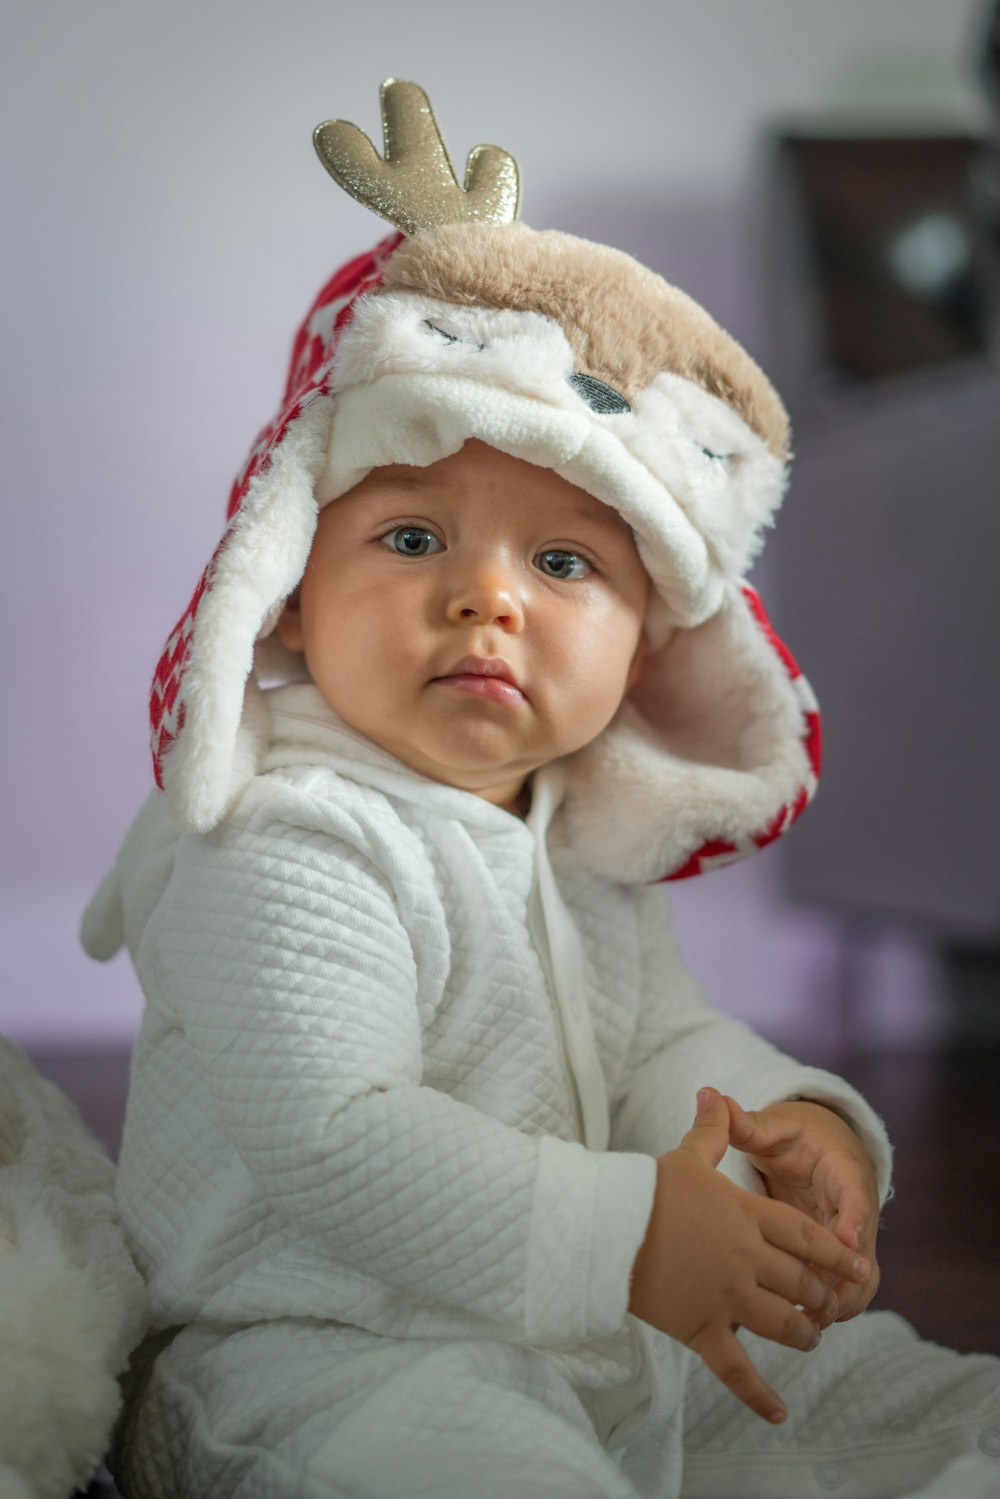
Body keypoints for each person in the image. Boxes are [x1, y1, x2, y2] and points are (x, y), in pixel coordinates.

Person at [81, 82, 1000, 1499]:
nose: (484, 600)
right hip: (325, 1352)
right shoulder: (281, 837)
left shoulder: (576, 837)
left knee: (896, 1397)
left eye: (565, 564)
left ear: (651, 649)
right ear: (284, 595)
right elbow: (340, 1139)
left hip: (593, 1322)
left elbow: (657, 1051)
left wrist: (789, 1123)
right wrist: (628, 1238)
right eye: (409, 533)